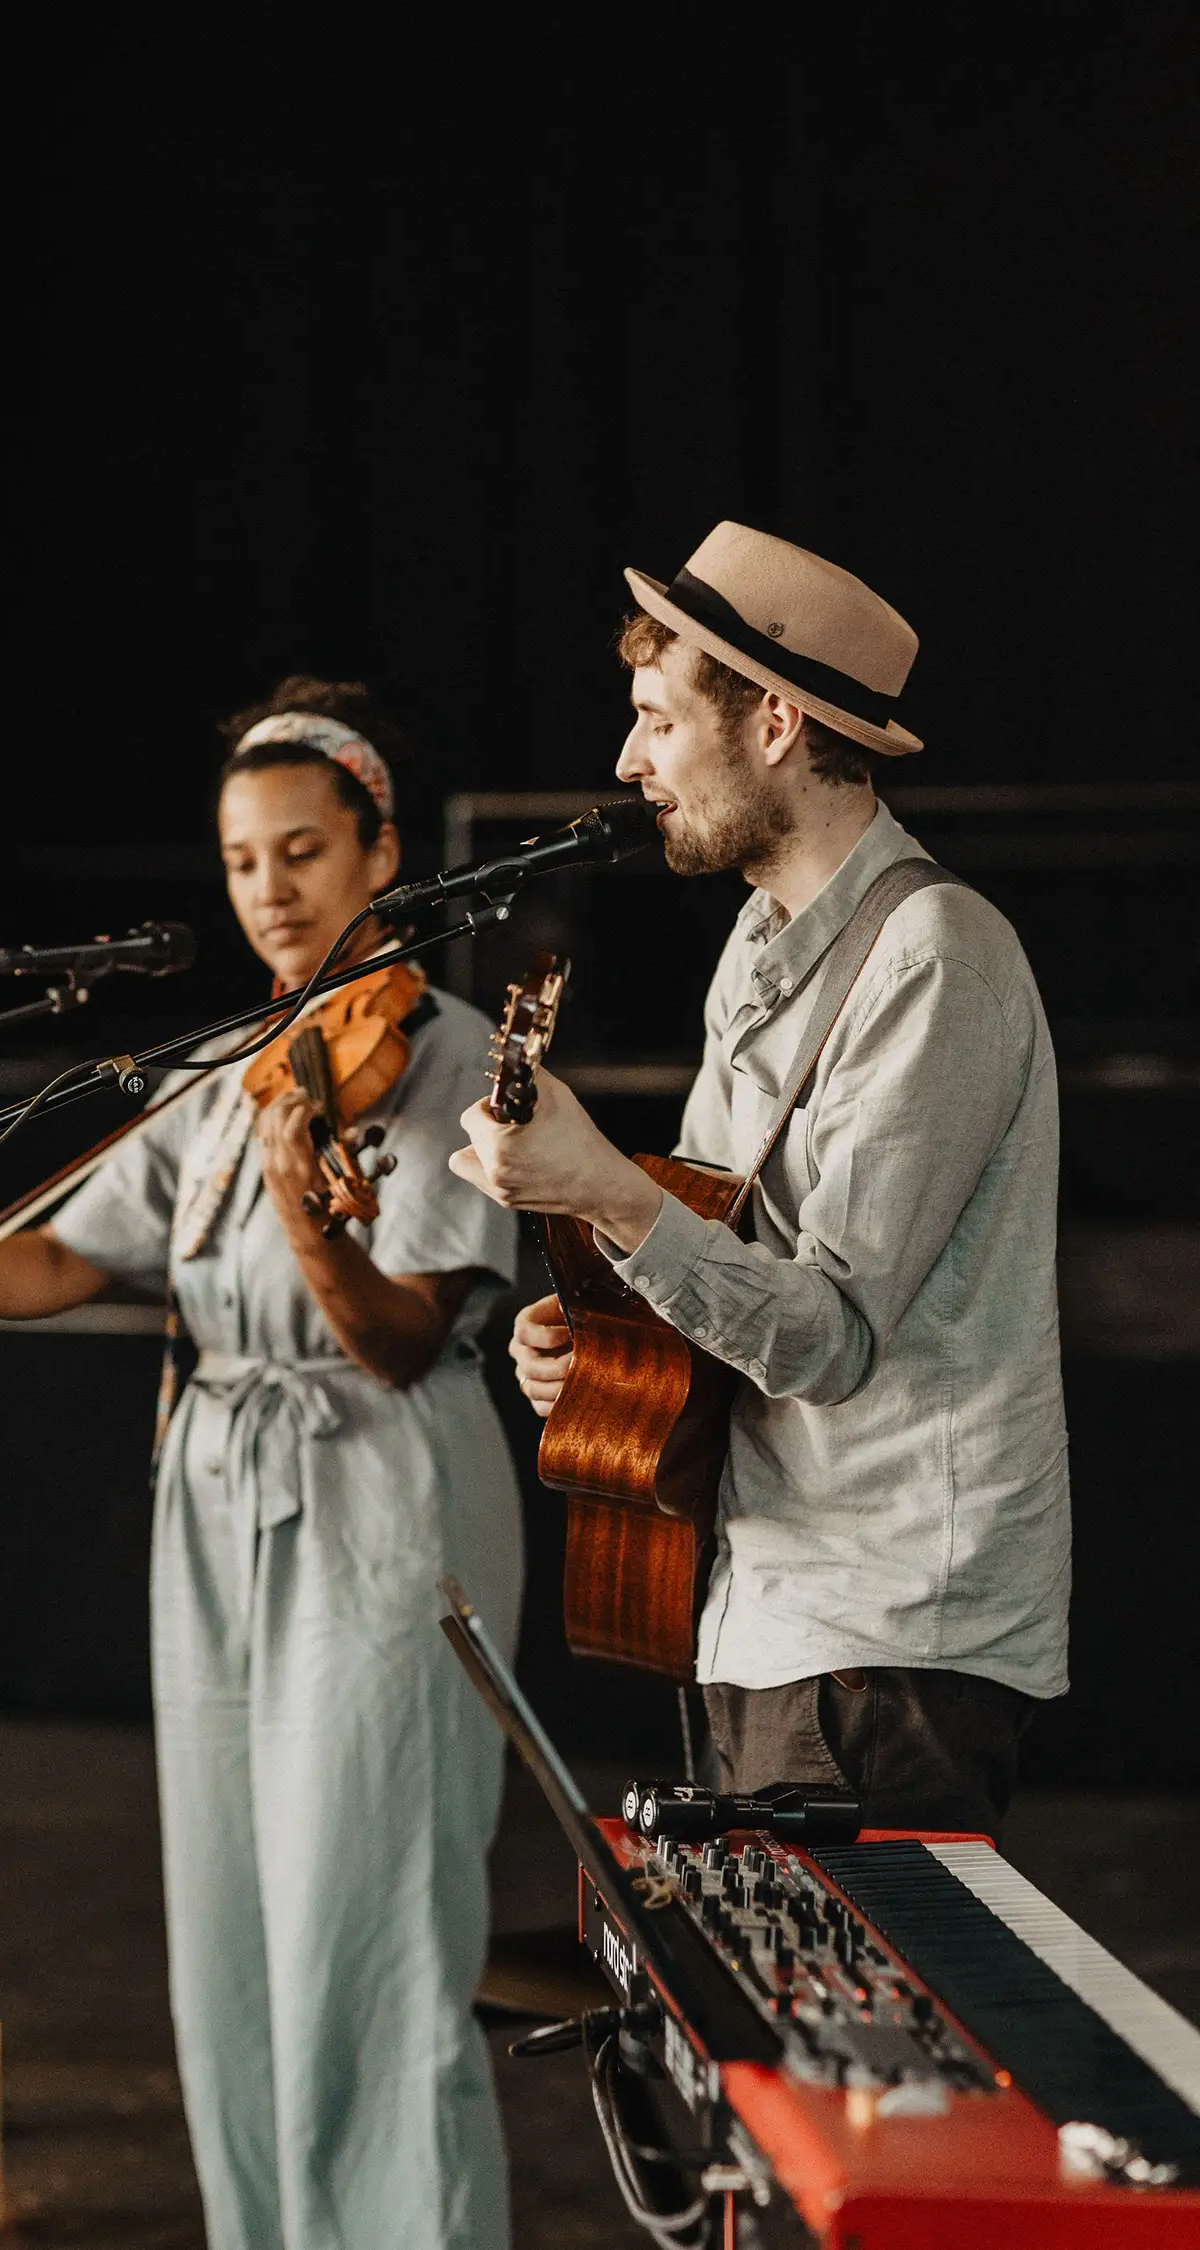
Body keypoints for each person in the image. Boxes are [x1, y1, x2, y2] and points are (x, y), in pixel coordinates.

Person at [0, 677, 523, 2250]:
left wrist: (303, 1218)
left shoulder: (449, 1053)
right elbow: (68, 1257)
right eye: (241, 860)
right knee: (234, 1931)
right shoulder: (232, 1067)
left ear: (381, 851)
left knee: (373, 1924)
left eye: (303, 851)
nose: (270, 890)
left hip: (377, 1501)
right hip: (212, 1504)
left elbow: (403, 1337)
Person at [453, 523, 1069, 1844]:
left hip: (887, 1640)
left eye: (656, 719)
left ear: (775, 721)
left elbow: (829, 1336)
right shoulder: (761, 939)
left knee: (857, 2050)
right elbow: (724, 1253)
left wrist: (605, 1191)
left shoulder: (936, 954)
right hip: (774, 1600)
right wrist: (602, 1336)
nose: (628, 764)